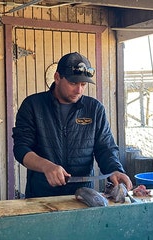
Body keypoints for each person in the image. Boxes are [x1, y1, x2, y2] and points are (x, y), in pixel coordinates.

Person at [12, 52, 132, 198]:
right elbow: (21, 149)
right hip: (41, 194)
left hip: (83, 196)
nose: (79, 90)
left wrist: (115, 169)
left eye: (83, 84)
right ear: (57, 78)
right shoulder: (33, 105)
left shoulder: (94, 109)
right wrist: (46, 166)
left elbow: (105, 148)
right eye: (73, 83)